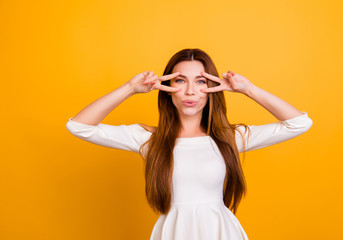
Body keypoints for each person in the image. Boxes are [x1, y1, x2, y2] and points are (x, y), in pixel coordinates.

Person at [66, 48, 313, 240]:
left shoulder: (228, 138)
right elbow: (79, 126)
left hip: (221, 232)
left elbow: (299, 124)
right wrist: (130, 88)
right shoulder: (149, 140)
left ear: (212, 87)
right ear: (168, 87)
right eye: (181, 81)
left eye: (201, 81)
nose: (191, 91)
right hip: (173, 231)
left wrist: (249, 90)